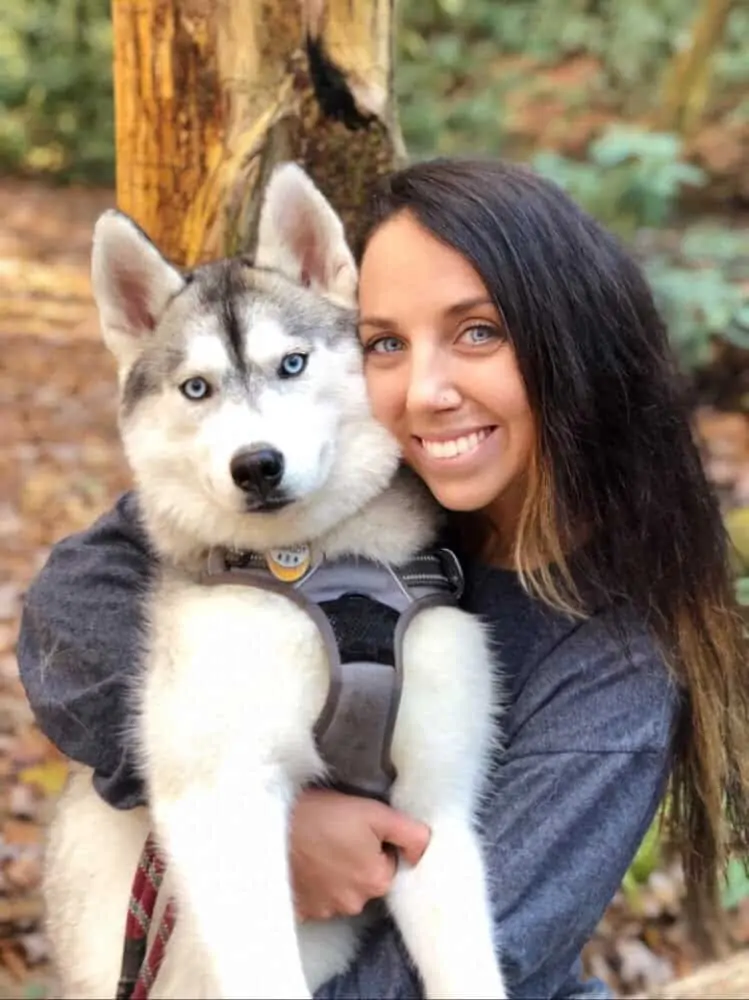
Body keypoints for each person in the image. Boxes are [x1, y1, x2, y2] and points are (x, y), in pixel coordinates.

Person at [17, 158, 749, 999]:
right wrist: (236, 805)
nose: (424, 393)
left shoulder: (614, 668)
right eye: (387, 343)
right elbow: (67, 606)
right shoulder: (290, 504)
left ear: (570, 340)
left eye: (478, 332)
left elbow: (480, 950)